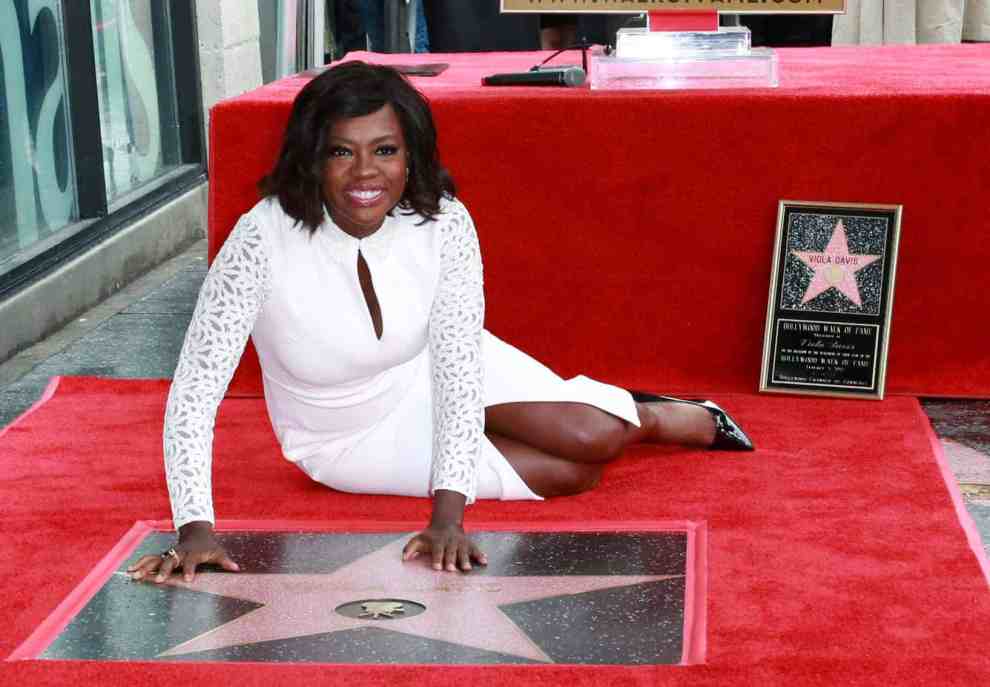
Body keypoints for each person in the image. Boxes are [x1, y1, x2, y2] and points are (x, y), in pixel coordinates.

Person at [127, 61, 753, 584]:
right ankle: (607, 406)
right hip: (345, 432)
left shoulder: (442, 221)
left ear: (411, 155)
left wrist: (448, 515)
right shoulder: (261, 239)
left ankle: (656, 414)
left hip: (429, 366)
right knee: (573, 473)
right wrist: (195, 528)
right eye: (341, 151)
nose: (365, 173)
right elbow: (194, 395)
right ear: (311, 158)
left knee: (593, 436)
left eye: (386, 151)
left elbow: (456, 363)